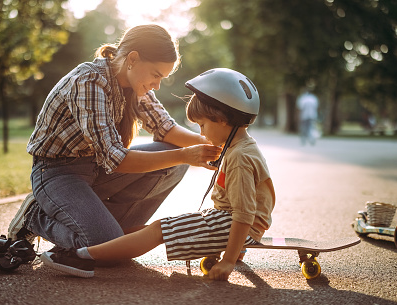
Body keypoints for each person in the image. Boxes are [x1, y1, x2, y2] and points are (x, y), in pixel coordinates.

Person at [40, 68, 276, 281]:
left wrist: (229, 260)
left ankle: (80, 255)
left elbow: (244, 214)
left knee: (158, 230)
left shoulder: (239, 158)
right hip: (228, 222)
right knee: (155, 227)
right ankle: (94, 248)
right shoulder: (241, 148)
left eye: (202, 125)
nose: (201, 132)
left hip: (232, 224)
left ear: (222, 120)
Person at [7, 24, 222, 249]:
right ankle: (34, 217)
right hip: (56, 173)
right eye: (156, 75)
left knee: (118, 244)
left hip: (96, 169)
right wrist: (185, 155)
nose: (157, 85)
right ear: (133, 58)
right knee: (103, 244)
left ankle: (99, 228)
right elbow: (116, 159)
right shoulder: (89, 81)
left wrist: (217, 146)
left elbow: (165, 128)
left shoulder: (134, 84)